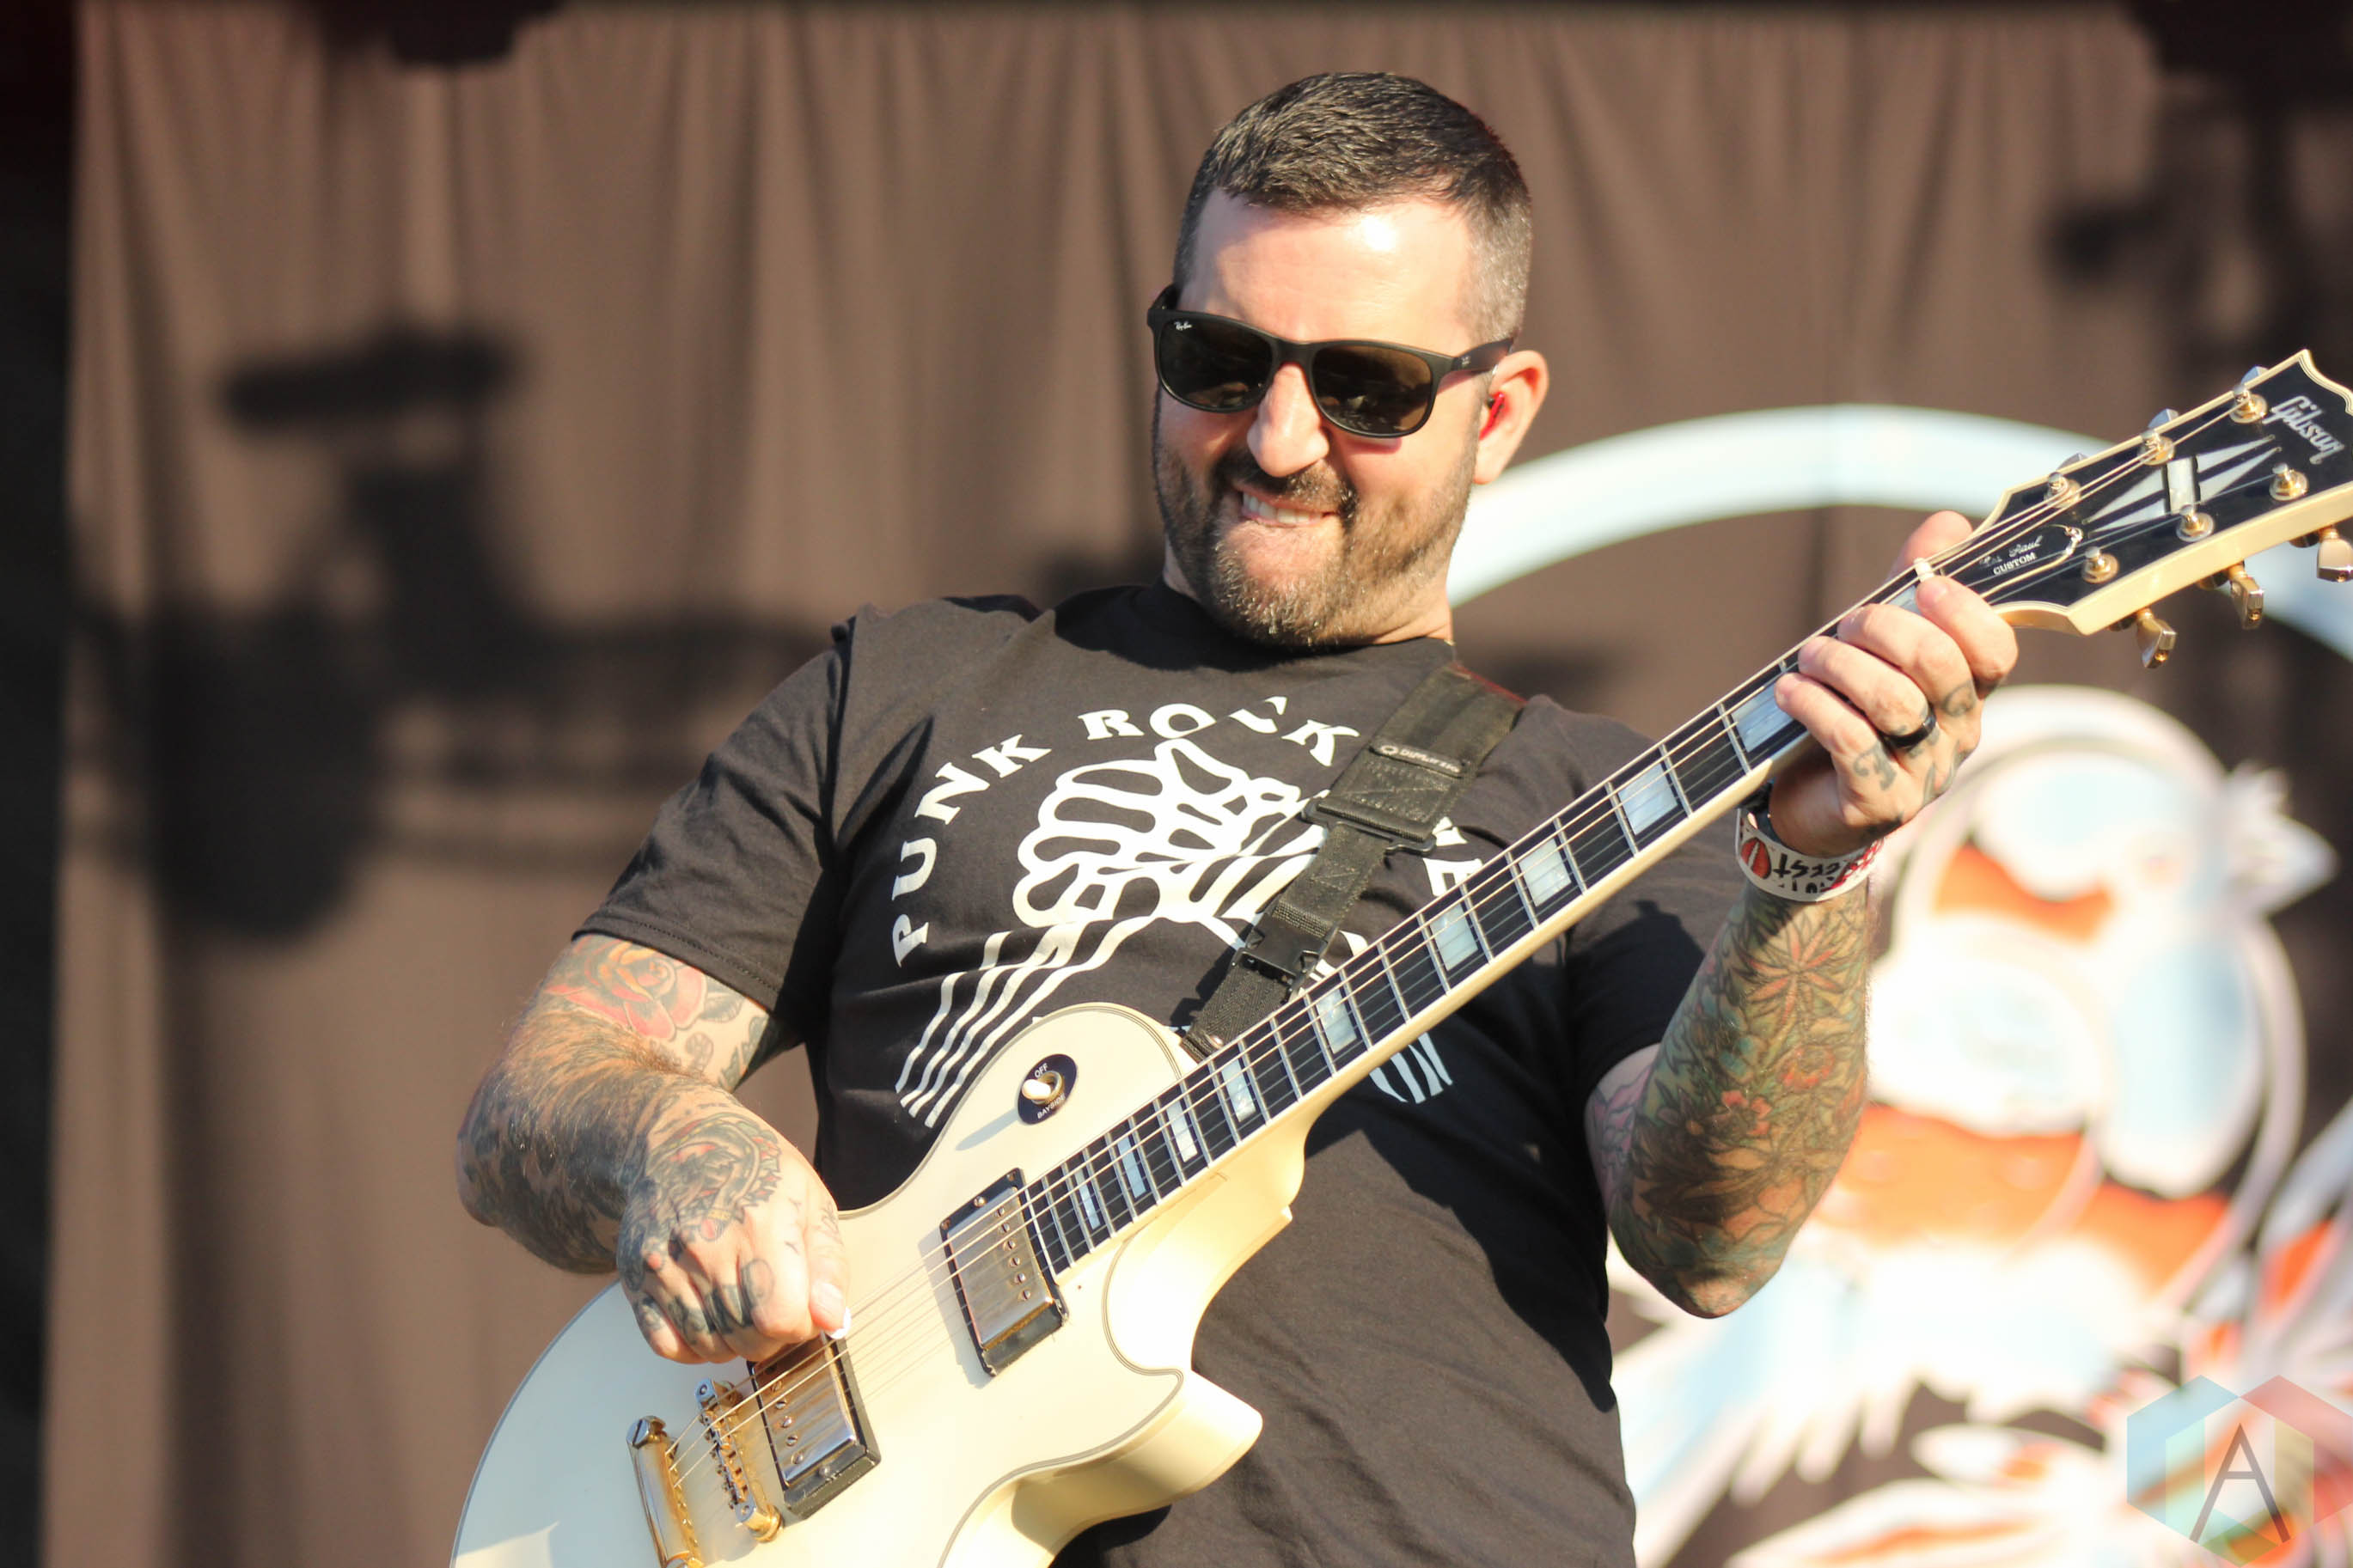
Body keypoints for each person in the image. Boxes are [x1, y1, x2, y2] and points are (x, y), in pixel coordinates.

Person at [455, 72, 2017, 1565]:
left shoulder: (1591, 801)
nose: (1276, 440)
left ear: (1498, 410)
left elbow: (1711, 1239)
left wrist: (1808, 874)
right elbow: (536, 1101)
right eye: (1219, 360)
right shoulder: (904, 686)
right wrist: (667, 1142)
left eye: (1365, 388)